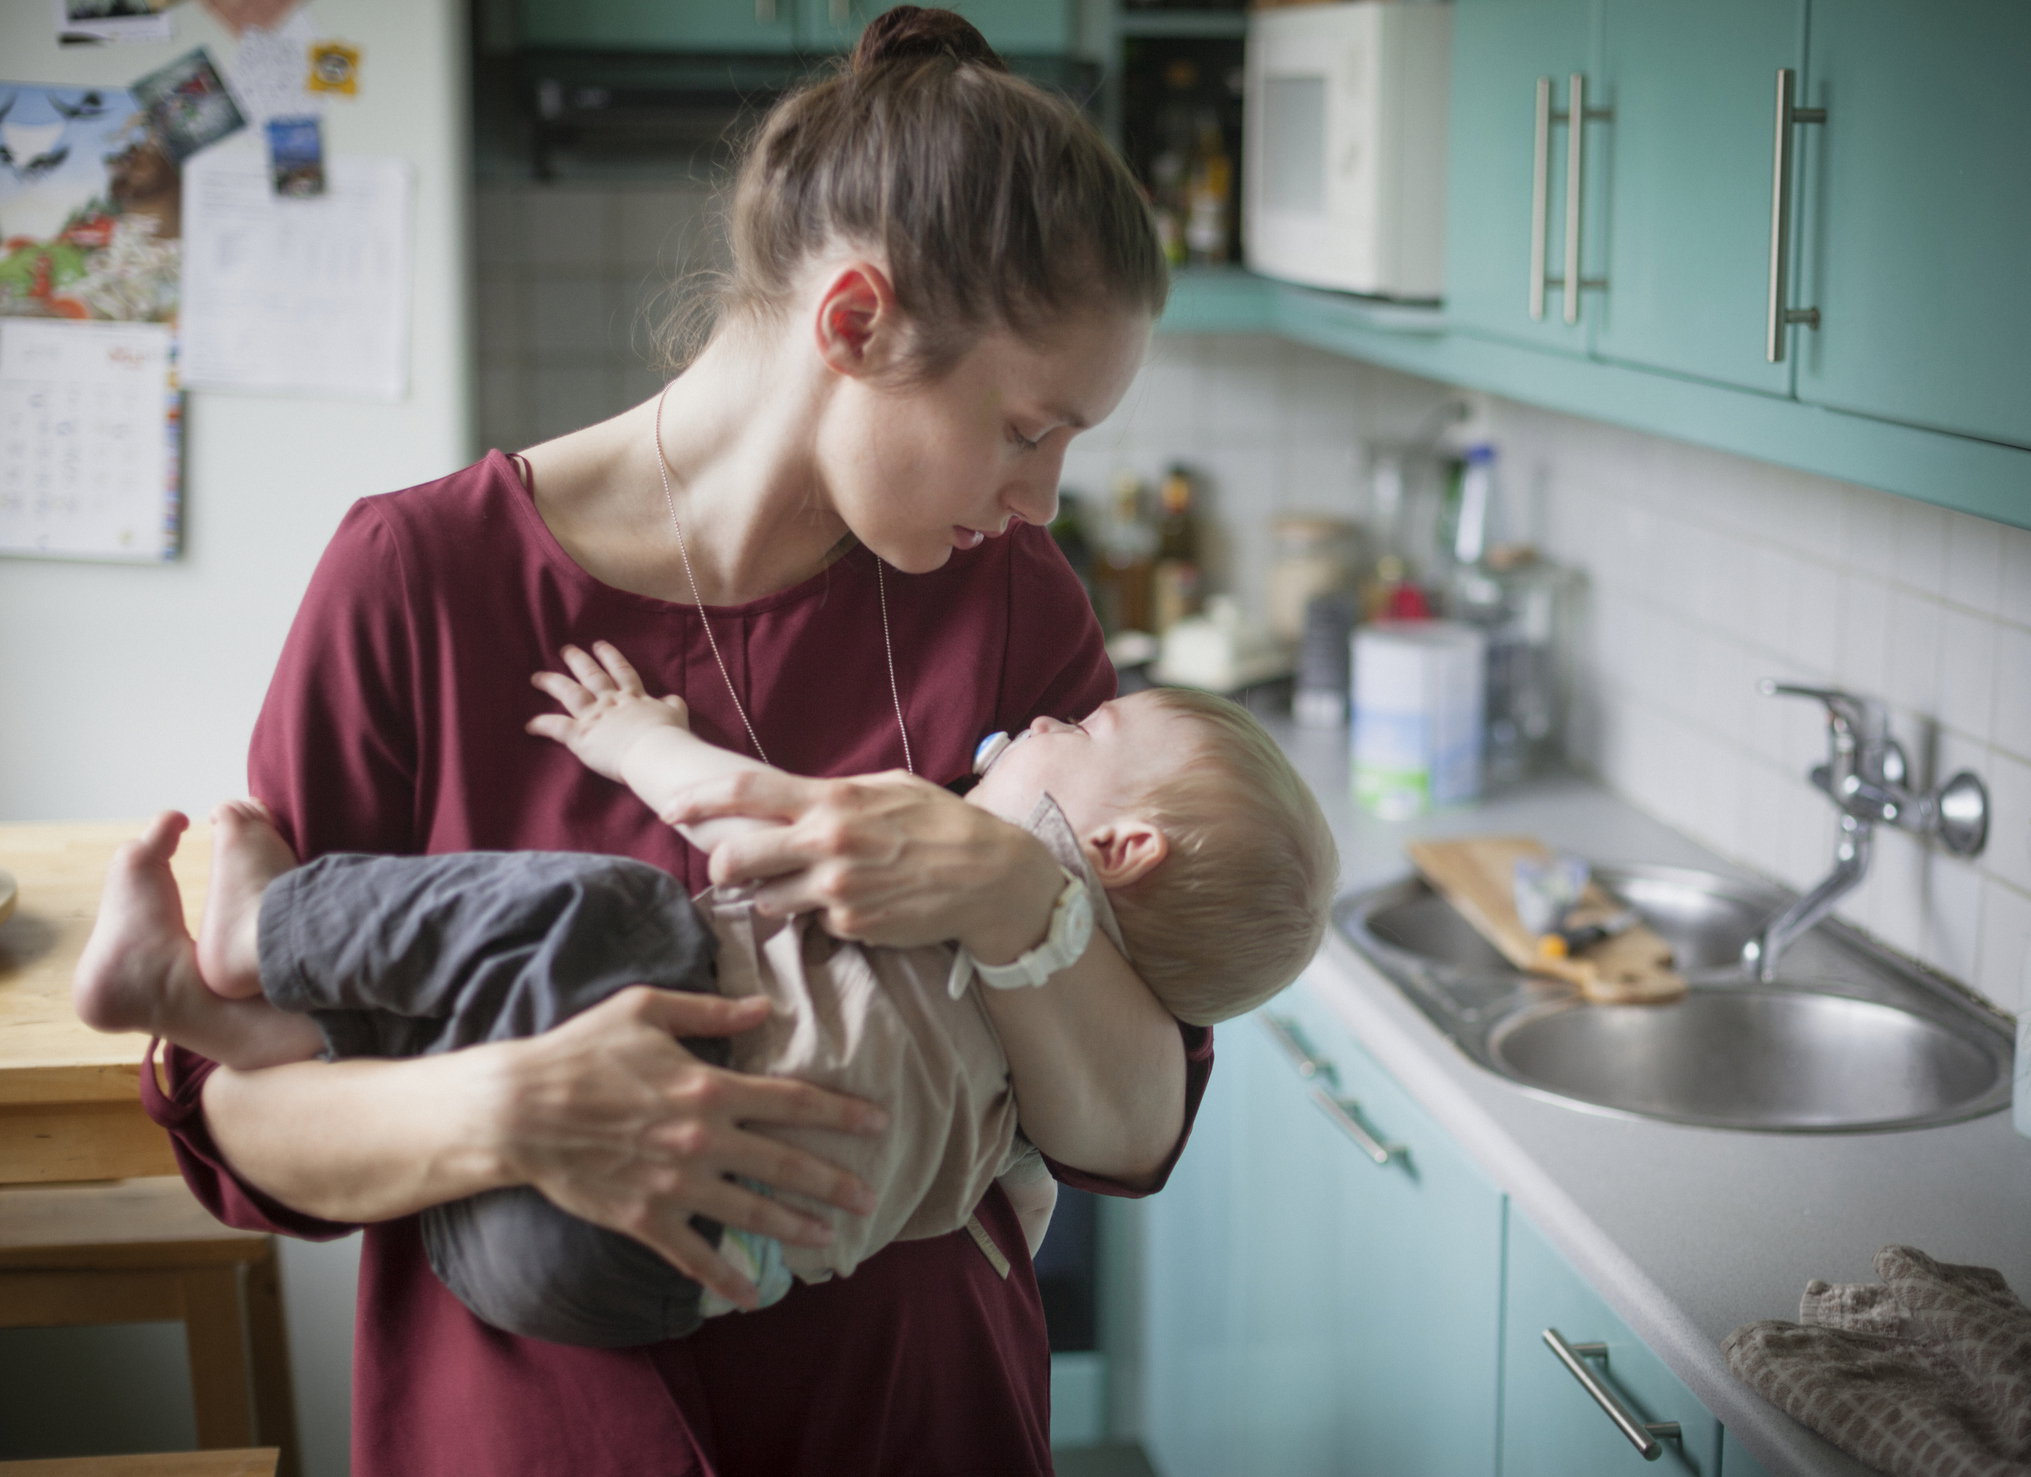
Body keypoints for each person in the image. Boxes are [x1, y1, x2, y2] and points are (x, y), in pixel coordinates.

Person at [136, 7, 1215, 1472]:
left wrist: (1015, 895)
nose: (1040, 496)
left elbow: (1129, 1132)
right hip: (545, 1426)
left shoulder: (1009, 604)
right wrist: (508, 1109)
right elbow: (239, 1123)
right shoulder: (418, 580)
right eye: (1027, 429)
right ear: (853, 322)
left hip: (916, 1422)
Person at [77, 641, 1338, 1347]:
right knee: (477, 1022)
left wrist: (630, 733)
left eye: (1083, 729)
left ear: (1117, 849)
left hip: (586, 1208)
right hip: (630, 1290)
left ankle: (260, 937)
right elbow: (1037, 1198)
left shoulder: (951, 859)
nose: (1040, 727)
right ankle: (228, 1019)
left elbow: (738, 824)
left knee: (615, 917)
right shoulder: (1031, 1107)